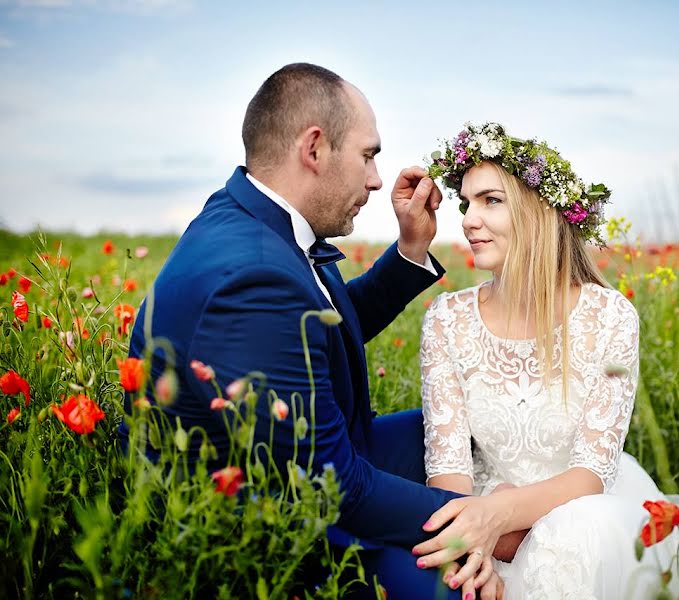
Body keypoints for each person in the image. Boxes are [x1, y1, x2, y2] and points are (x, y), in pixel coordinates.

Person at [118, 64, 503, 599]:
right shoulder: (252, 277)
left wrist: (410, 250)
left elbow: (320, 330)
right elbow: (339, 490)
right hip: (274, 534)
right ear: (315, 148)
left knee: (484, 428)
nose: (375, 178)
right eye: (368, 155)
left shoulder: (255, 217)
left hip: (318, 461)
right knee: (464, 586)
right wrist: (484, 523)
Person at [412, 122, 679, 598]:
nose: (469, 219)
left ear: (538, 212)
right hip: (485, 510)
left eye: (491, 200)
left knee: (579, 537)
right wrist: (476, 547)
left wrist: (499, 519)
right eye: (466, 202)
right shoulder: (447, 319)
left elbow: (589, 475)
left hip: (587, 506)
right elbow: (448, 466)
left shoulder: (609, 316)